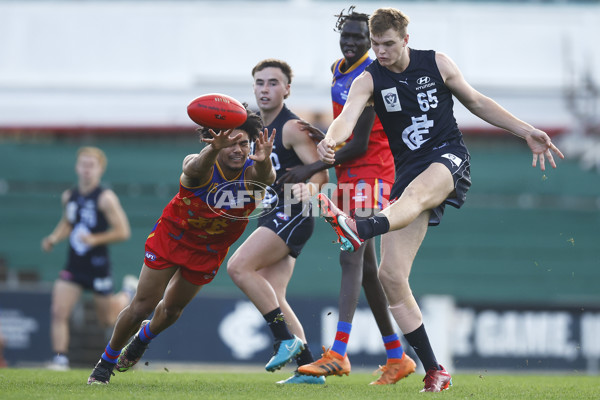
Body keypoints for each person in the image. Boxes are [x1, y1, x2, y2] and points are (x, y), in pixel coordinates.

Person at [315, 7, 565, 393]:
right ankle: (435, 369)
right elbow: (347, 117)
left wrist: (526, 130)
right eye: (376, 44)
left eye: (388, 44)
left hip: (448, 158)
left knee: (412, 196)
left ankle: (359, 228)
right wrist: (331, 140)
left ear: (405, 40)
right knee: (390, 277)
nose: (380, 51)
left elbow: (477, 102)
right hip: (409, 170)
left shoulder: (437, 63)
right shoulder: (369, 79)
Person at [87, 106, 276, 384]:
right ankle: (106, 362)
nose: (238, 149)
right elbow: (194, 168)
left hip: (209, 250)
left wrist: (263, 159)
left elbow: (265, 179)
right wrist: (213, 150)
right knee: (141, 306)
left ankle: (142, 340)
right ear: (215, 141)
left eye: (244, 143)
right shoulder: (199, 163)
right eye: (231, 143)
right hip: (172, 239)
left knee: (172, 310)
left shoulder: (254, 172)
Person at [277, 7, 415, 385]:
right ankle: (396, 356)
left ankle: (338, 352)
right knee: (368, 271)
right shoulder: (340, 69)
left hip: (374, 175)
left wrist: (309, 168)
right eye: (348, 36)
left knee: (350, 258)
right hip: (350, 174)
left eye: (360, 38)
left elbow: (359, 143)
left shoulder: (371, 76)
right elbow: (343, 131)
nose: (352, 43)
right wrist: (321, 135)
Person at [226, 59, 328, 385]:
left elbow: (322, 173)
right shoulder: (253, 128)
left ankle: (284, 338)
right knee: (274, 294)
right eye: (260, 83)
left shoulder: (291, 127)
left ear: (287, 89)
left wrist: (308, 187)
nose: (265, 89)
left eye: (273, 83)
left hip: (295, 211)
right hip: (273, 211)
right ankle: (308, 369)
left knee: (238, 267)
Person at [41, 146, 136, 371]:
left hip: (98, 266)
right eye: (83, 165)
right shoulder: (69, 196)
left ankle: (127, 294)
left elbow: (123, 231)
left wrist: (94, 239)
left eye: (91, 166)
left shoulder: (105, 198)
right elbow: (68, 222)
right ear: (77, 167)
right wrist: (54, 238)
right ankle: (60, 359)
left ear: (100, 170)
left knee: (107, 320)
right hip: (74, 265)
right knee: (58, 310)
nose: (86, 170)